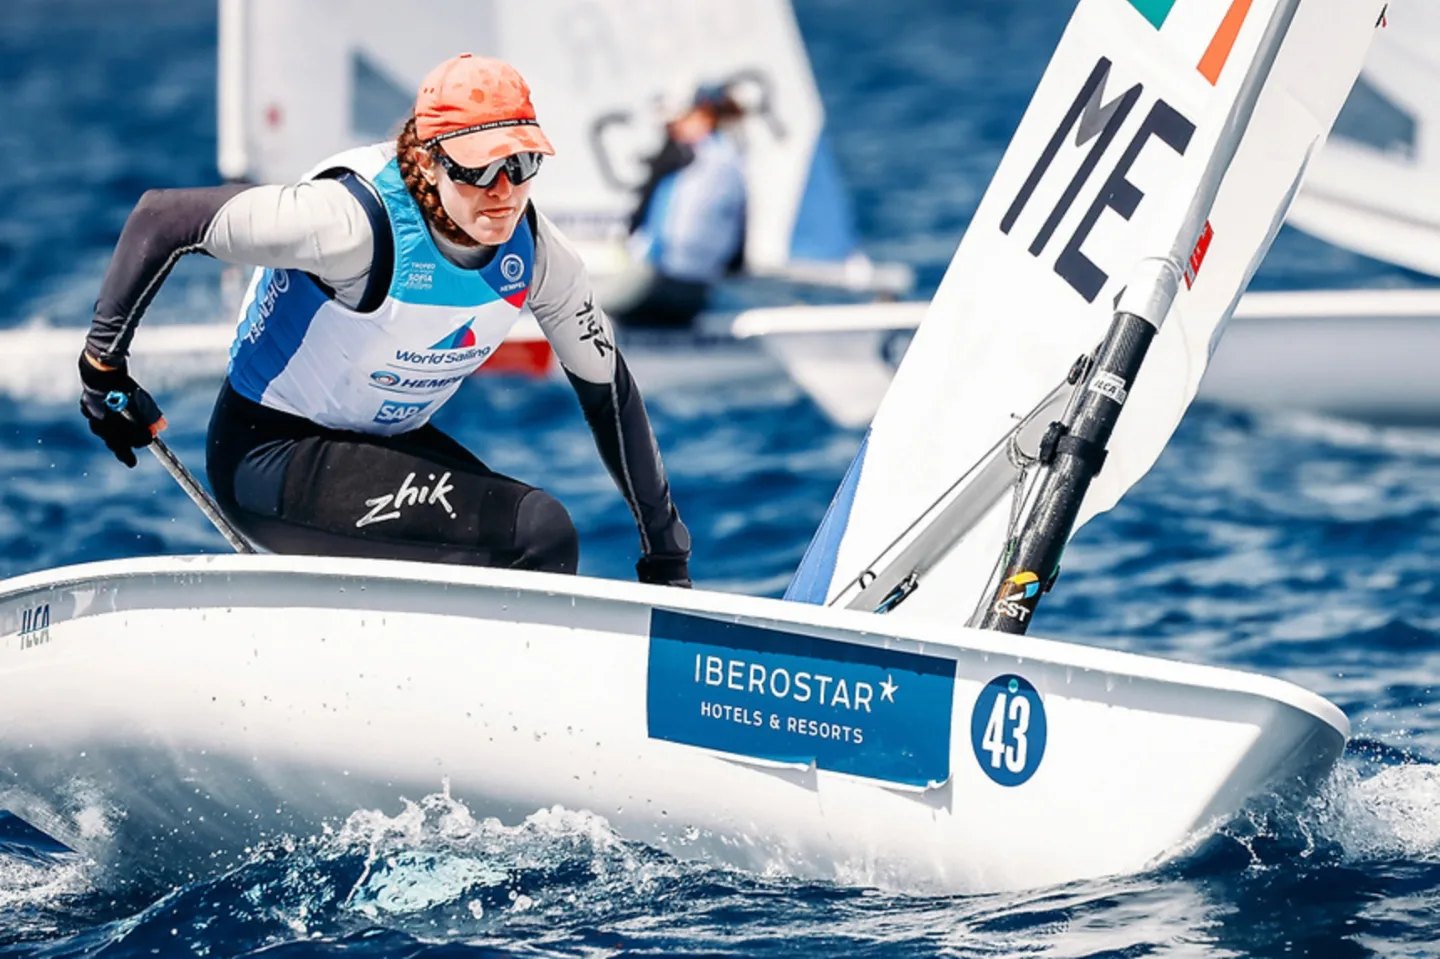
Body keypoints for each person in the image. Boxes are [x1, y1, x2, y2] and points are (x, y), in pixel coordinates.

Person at [77, 53, 691, 587]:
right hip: (269, 455)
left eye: (522, 164)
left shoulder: (539, 257)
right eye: (477, 169)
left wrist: (666, 550)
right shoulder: (346, 224)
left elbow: (609, 393)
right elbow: (161, 219)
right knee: (540, 534)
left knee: (527, 531)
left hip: (384, 446)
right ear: (426, 163)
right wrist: (102, 364)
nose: (502, 190)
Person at [602, 83, 748, 328]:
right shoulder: (722, 158)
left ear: (703, 116)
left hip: (669, 279)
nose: (672, 126)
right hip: (688, 279)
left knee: (593, 312)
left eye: (681, 118)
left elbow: (679, 236)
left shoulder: (705, 161)